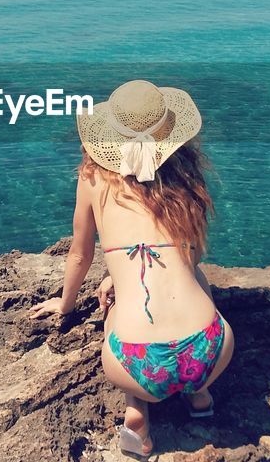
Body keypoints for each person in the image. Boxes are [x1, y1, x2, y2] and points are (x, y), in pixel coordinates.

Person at [31, 79, 234, 458]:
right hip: (211, 352)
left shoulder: (93, 178)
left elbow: (79, 255)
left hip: (134, 363)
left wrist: (65, 304)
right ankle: (200, 396)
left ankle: (137, 408)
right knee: (195, 276)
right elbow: (185, 260)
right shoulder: (185, 178)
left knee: (115, 308)